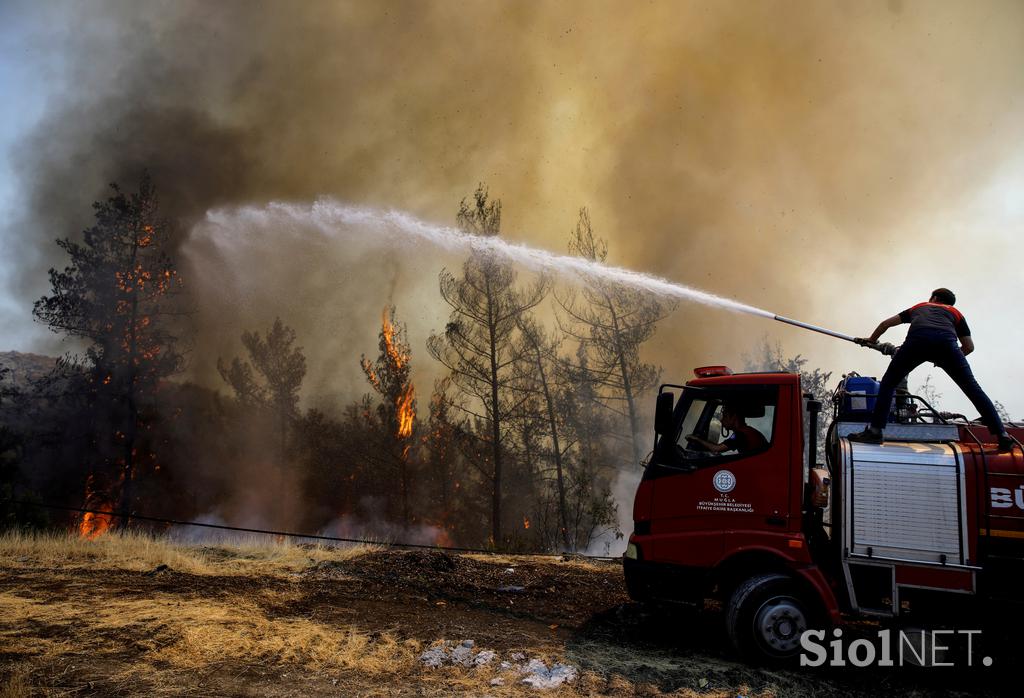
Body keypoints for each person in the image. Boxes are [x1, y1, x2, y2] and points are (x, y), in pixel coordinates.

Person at [849, 287, 1013, 451]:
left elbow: (886, 324)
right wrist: (946, 360)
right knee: (973, 389)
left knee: (889, 384)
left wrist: (871, 340)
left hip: (916, 344)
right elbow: (969, 347)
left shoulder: (920, 307)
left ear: (934, 298)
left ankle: (875, 431)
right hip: (947, 347)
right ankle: (1003, 436)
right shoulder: (956, 313)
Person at [686, 403, 769, 454]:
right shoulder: (748, 431)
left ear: (734, 417)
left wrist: (697, 439)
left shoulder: (741, 435)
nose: (722, 420)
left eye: (725, 416)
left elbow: (717, 449)